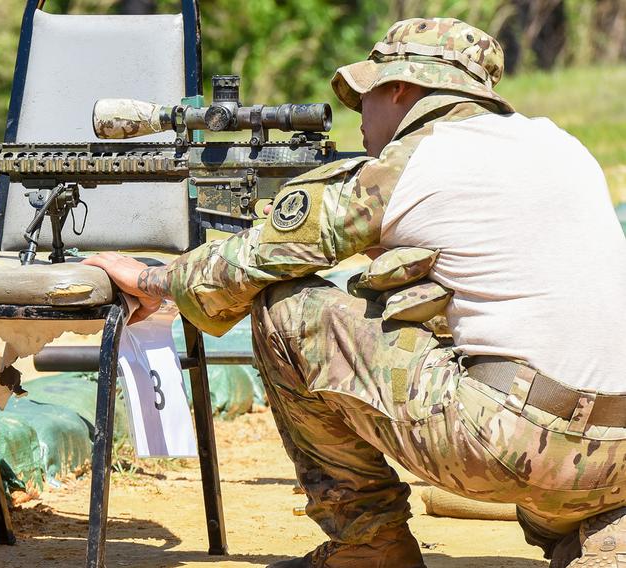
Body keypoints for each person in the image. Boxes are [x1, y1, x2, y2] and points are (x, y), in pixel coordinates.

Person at [83, 17, 626, 568]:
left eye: (365, 97)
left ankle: (368, 547)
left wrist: (151, 280)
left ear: (399, 89)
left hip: (509, 442)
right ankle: (602, 535)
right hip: (616, 458)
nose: (360, 118)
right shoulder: (561, 145)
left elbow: (245, 264)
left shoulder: (411, 163)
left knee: (286, 309)